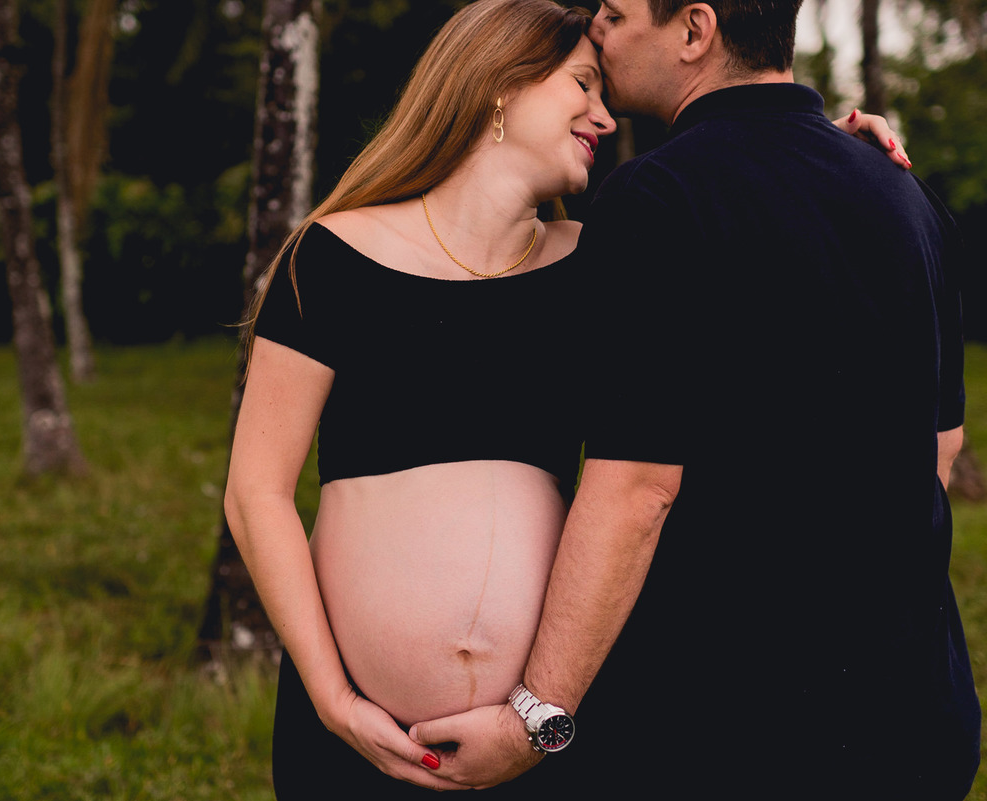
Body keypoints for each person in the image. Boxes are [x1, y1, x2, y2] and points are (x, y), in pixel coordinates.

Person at [224, 0, 911, 797]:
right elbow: (256, 492)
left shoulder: (603, 259)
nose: (605, 118)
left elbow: (767, 268)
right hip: (357, 738)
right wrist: (332, 698)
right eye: (583, 85)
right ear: (498, 83)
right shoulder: (331, 255)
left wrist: (827, 155)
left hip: (547, 735)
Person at [410, 0, 981, 799]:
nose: (599, 28)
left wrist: (535, 718)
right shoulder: (902, 191)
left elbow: (636, 489)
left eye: (616, 14)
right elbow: (939, 449)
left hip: (737, 732)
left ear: (694, 30)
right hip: (916, 721)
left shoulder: (659, 195)